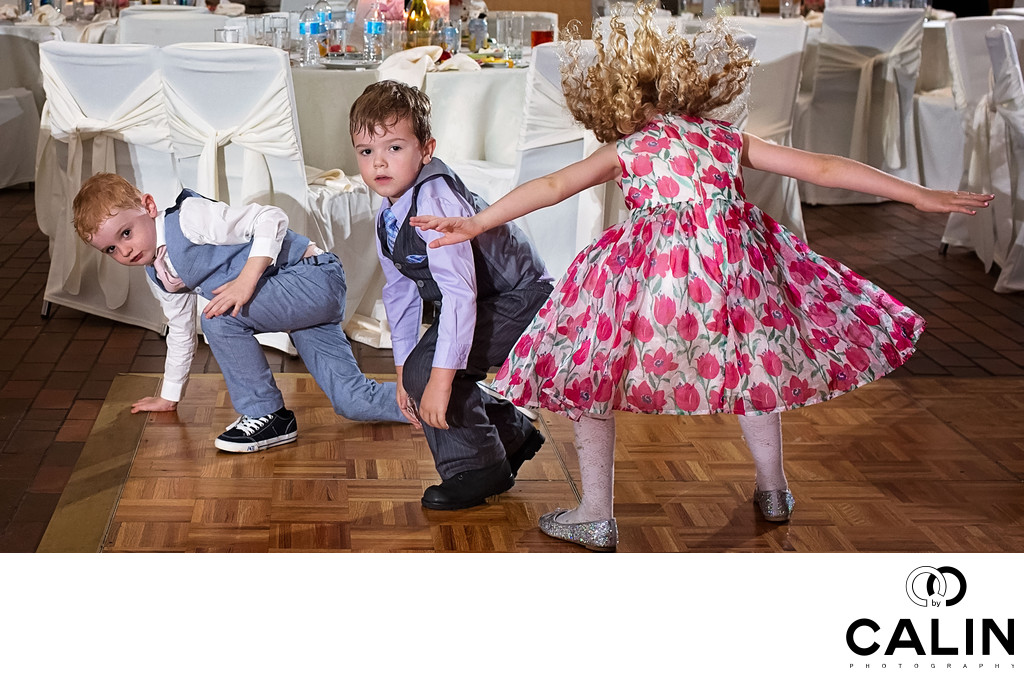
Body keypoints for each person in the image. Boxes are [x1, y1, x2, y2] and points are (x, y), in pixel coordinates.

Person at [412, 2, 993, 550]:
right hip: (736, 280)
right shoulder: (725, 139)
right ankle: (774, 490)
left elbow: (551, 187)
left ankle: (595, 514)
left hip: (654, 287)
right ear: (695, 88)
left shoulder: (631, 147)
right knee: (755, 367)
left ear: (617, 96)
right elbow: (822, 167)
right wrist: (917, 194)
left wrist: (476, 222)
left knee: (585, 371)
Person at [72, 172, 407, 453]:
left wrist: (247, 280)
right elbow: (180, 331)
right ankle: (438, 399)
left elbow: (270, 217)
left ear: (148, 206)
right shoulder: (161, 275)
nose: (125, 250)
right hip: (300, 305)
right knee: (352, 400)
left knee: (218, 316)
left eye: (126, 233)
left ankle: (268, 415)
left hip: (313, 278)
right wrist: (169, 395)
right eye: (111, 249)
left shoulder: (188, 217)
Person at [349, 80, 554, 510]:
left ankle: (478, 467)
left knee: (434, 371)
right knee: (420, 370)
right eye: (367, 152)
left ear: (426, 149)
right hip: (482, 301)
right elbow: (401, 293)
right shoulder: (390, 213)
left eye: (395, 148)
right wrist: (403, 370)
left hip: (522, 299)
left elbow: (460, 294)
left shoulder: (435, 202)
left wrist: (433, 381)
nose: (379, 162)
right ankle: (510, 435)